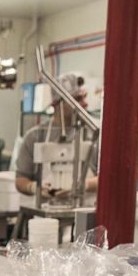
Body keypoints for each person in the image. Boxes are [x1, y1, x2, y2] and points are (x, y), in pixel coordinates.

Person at [15, 72, 99, 200]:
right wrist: (34, 188)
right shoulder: (36, 136)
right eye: (76, 100)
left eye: (84, 97)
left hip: (85, 214)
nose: (84, 104)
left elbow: (109, 179)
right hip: (46, 214)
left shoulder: (94, 134)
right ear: (57, 104)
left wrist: (84, 185)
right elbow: (20, 179)